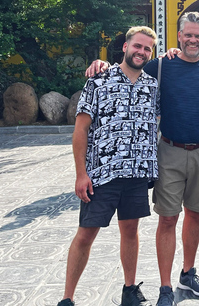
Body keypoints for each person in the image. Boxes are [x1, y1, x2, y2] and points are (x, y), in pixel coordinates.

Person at [86, 12, 199, 306]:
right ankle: (165, 287)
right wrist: (102, 65)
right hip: (169, 150)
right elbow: (130, 67)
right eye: (188, 35)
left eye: (198, 36)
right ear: (179, 36)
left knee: (195, 213)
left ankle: (187, 273)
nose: (193, 40)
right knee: (167, 218)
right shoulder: (161, 65)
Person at [57, 26, 159, 306]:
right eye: (137, 46)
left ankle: (129, 289)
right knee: (86, 233)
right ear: (125, 47)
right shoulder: (99, 80)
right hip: (102, 174)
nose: (141, 52)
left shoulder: (152, 85)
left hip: (137, 173)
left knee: (130, 230)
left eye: (147, 48)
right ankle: (67, 297)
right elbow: (81, 130)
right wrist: (81, 174)